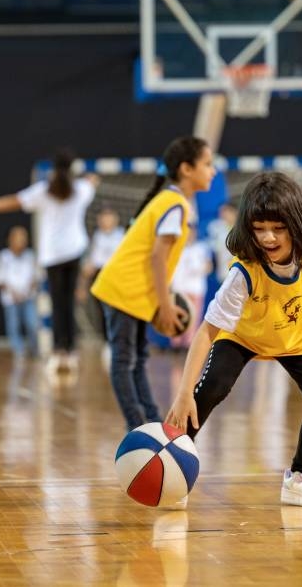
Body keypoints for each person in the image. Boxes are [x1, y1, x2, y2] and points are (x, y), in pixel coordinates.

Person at [165, 171, 302, 508]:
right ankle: (174, 469)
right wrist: (183, 395)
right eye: (259, 228)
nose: (268, 237)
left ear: (296, 223)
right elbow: (207, 331)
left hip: (294, 337)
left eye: (278, 228)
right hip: (243, 336)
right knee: (209, 391)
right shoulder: (243, 272)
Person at [91, 136, 215, 430]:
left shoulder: (170, 201)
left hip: (131, 291)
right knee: (125, 360)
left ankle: (152, 423)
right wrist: (166, 305)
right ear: (186, 169)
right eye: (208, 164)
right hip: (124, 290)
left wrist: (165, 298)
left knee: (137, 357)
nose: (213, 171)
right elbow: (158, 258)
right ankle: (138, 427)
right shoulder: (175, 205)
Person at [0, 150, 98, 370]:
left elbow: (11, 202)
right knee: (68, 304)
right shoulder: (81, 190)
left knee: (57, 304)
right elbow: (92, 182)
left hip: (53, 255)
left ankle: (57, 351)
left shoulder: (44, 191)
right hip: (73, 252)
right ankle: (70, 351)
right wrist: (91, 180)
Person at [0, 225, 41, 359]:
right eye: (17, 237)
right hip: (10, 299)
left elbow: (37, 277)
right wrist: (14, 293)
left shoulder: (31, 256)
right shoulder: (2, 257)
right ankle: (18, 351)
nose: (21, 240)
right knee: (13, 325)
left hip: (29, 297)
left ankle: (35, 349)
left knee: (33, 323)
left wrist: (27, 291)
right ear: (10, 239)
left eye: (23, 237)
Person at [77, 206, 126, 341]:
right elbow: (88, 265)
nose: (106, 220)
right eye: (104, 217)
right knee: (102, 312)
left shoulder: (122, 235)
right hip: (99, 276)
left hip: (117, 276)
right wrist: (82, 287)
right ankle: (107, 341)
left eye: (109, 216)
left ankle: (120, 339)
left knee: (119, 312)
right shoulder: (96, 237)